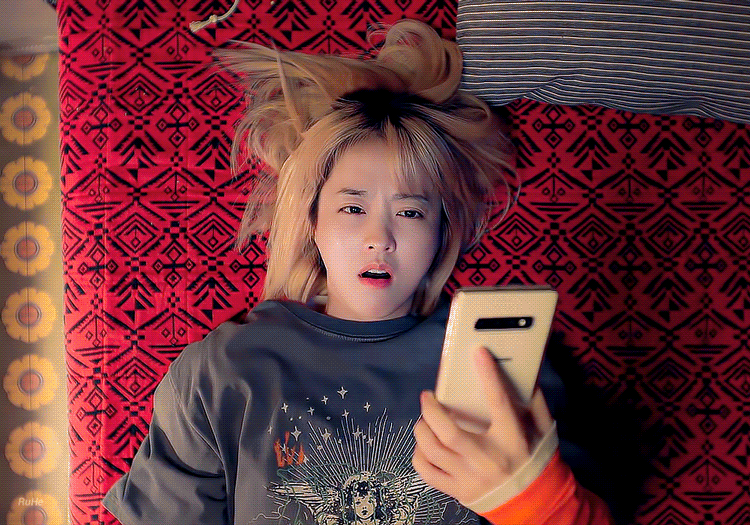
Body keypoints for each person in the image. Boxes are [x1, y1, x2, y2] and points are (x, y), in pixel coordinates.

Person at [103, 19, 613, 525]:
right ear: (312, 222)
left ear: (441, 232)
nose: (379, 237)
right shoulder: (223, 369)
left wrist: (528, 497)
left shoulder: (501, 365)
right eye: (352, 208)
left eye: (410, 212)